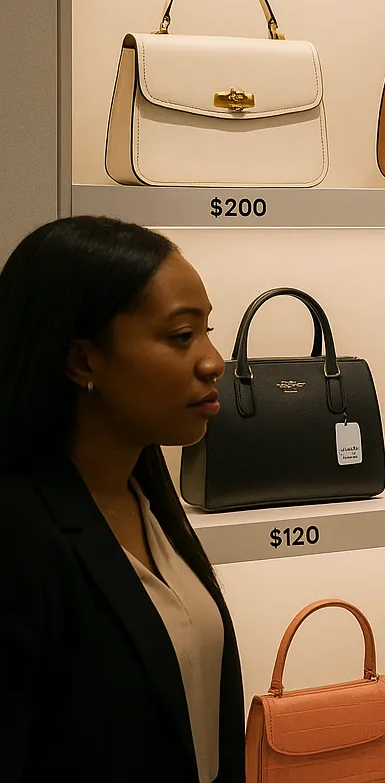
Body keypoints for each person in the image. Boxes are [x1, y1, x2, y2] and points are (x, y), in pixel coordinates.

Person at [0, 217, 244, 782]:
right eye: (182, 336)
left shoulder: (147, 501)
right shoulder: (18, 537)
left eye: (207, 332)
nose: (213, 361)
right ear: (83, 361)